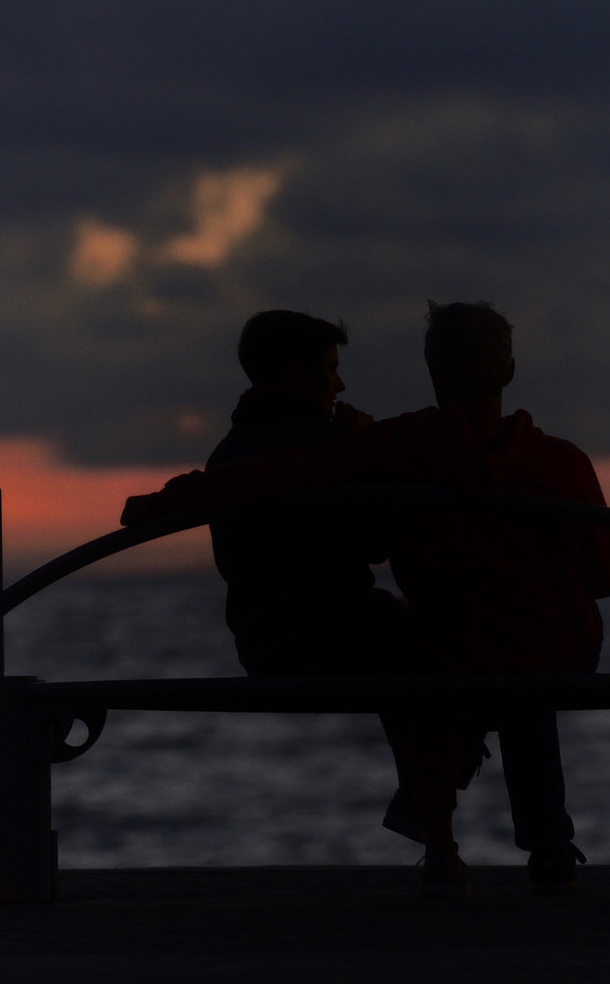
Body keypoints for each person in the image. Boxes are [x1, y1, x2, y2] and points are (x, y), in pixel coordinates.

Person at [123, 301, 610, 896]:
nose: (339, 381)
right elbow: (605, 577)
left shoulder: (396, 444)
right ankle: (547, 845)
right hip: (551, 651)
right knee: (521, 669)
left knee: (471, 656)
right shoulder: (563, 462)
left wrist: (163, 501)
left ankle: (451, 836)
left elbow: (274, 476)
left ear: (434, 375)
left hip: (453, 645)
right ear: (509, 372)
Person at [204, 310, 422, 841]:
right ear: (296, 371)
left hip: (262, 648)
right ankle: (428, 811)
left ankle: (424, 803)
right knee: (454, 644)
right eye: (330, 368)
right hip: (341, 641)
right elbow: (376, 544)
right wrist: (366, 452)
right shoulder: (330, 445)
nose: (341, 383)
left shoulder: (224, 455)